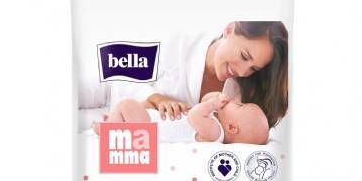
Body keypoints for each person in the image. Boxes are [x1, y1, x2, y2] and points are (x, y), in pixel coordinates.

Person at [110, 21, 288, 130]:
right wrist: (158, 99)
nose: (242, 72)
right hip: (113, 98)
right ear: (229, 29)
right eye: (244, 56)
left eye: (253, 68)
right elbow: (123, 74)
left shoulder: (242, 96)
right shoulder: (178, 42)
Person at [93, 92, 269, 145]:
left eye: (239, 105)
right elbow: (206, 99)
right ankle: (115, 126)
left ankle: (110, 132)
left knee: (126, 104)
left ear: (232, 128)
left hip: (151, 129)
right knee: (135, 106)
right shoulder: (215, 124)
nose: (234, 101)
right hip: (155, 121)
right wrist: (215, 99)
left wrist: (213, 104)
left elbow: (194, 115)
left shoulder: (216, 133)